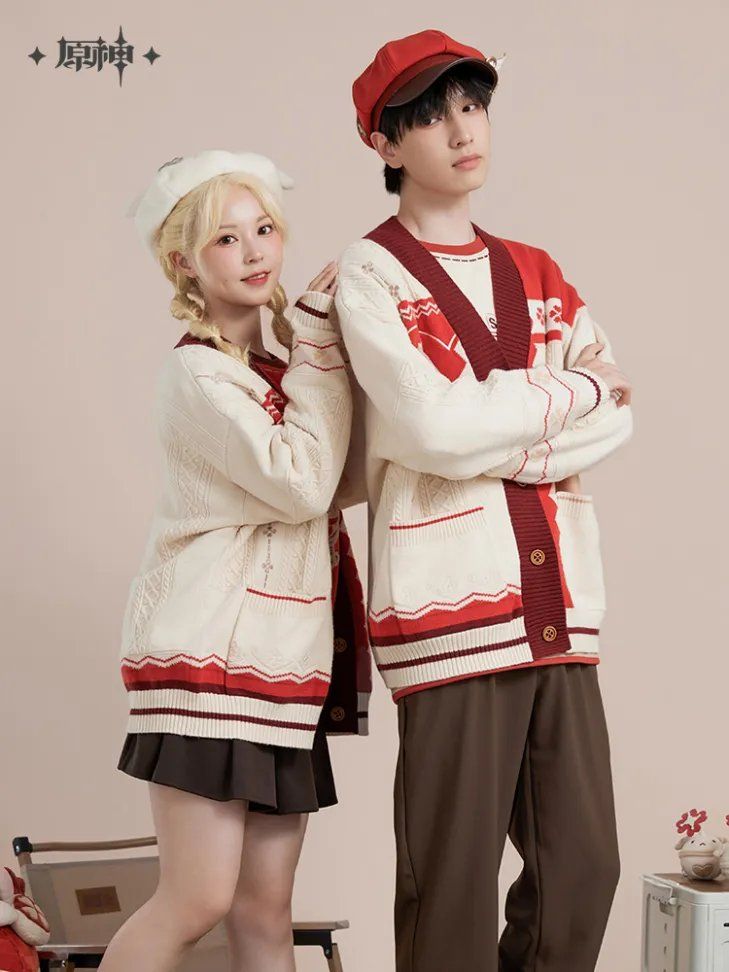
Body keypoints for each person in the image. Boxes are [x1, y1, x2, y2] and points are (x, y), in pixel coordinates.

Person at [334, 29, 634, 972]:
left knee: (582, 871)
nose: (464, 132)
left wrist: (492, 429)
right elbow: (431, 430)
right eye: (432, 118)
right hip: (447, 613)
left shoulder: (537, 270)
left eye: (472, 108)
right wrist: (565, 397)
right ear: (384, 143)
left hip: (559, 615)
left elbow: (617, 410)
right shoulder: (369, 275)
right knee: (451, 889)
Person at [105, 149, 370, 972]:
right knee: (197, 901)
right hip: (212, 659)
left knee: (264, 911)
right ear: (185, 261)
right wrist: (319, 347)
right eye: (226, 238)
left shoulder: (281, 366)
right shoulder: (199, 374)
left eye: (264, 230)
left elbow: (346, 472)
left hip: (282, 662)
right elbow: (303, 483)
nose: (254, 252)